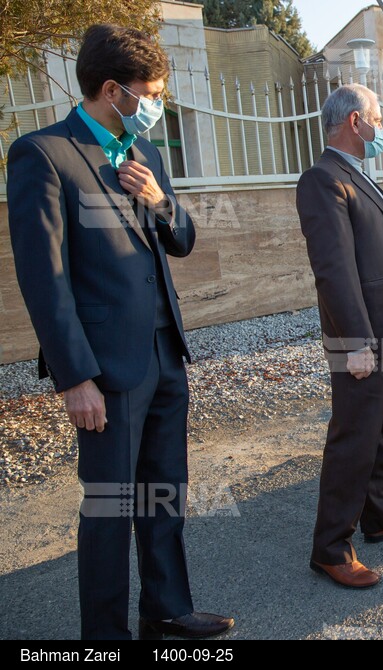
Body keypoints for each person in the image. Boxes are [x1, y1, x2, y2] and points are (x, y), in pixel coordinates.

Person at [6, 24, 232, 640]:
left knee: (164, 494)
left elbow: (181, 241)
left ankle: (167, 610)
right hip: (105, 371)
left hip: (165, 354)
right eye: (150, 93)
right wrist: (74, 377)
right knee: (109, 510)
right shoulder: (43, 154)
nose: (155, 106)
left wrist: (161, 201)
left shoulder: (146, 154)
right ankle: (103, 636)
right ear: (113, 90)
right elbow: (44, 281)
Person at [298, 84, 383, 589]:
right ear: (356, 122)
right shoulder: (322, 178)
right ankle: (330, 546)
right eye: (377, 117)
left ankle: (381, 514)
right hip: (363, 339)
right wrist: (355, 341)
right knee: (354, 436)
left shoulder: (357, 173)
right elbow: (333, 269)